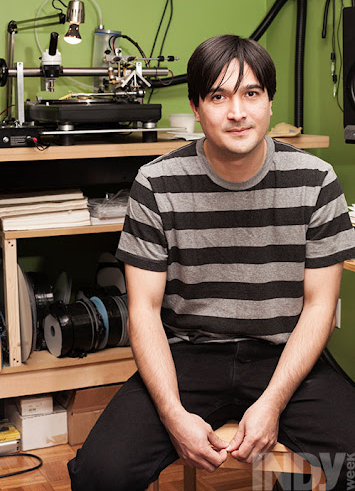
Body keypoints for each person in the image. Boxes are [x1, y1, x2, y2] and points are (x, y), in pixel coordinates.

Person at [68, 34, 355, 491]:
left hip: (285, 355)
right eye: (218, 97)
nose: (237, 112)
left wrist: (273, 402)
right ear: (196, 108)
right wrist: (172, 414)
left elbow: (320, 306)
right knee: (100, 473)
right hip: (188, 355)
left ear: (270, 102)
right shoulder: (156, 183)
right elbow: (143, 311)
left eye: (251, 93)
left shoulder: (316, 181)